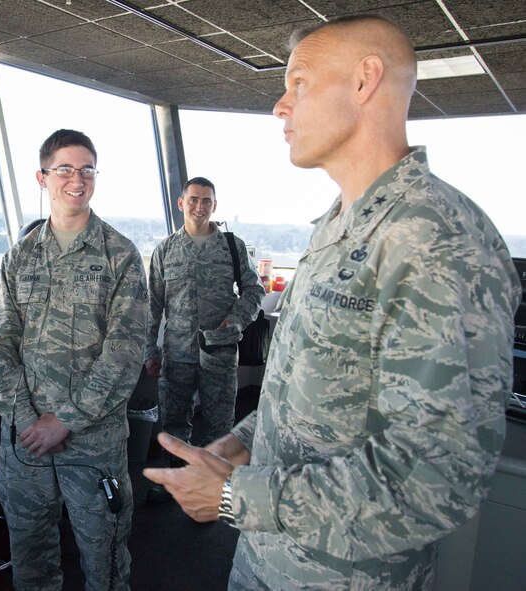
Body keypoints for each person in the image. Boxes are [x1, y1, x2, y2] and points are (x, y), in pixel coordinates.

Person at [144, 15, 520, 590]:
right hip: (270, 563)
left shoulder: (436, 239)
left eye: (299, 83)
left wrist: (233, 496)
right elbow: (311, 393)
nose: (280, 105)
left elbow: (433, 479)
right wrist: (241, 444)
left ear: (365, 81)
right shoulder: (335, 230)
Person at [0, 129, 147, 590]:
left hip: (92, 443)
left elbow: (125, 351)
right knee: (30, 557)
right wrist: (24, 418)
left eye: (87, 170)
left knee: (106, 560)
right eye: (65, 170)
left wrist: (66, 420)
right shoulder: (19, 257)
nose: (77, 180)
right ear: (42, 178)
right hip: (26, 442)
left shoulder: (120, 256)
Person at [144, 177, 264, 503]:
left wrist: (235, 320)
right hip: (176, 353)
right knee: (173, 424)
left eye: (206, 201)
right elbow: (153, 304)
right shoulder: (165, 250)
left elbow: (254, 290)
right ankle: (175, 482)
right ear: (181, 203)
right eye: (194, 200)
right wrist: (149, 350)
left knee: (220, 426)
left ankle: (212, 490)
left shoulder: (231, 246)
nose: (200, 207)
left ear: (214, 205)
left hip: (220, 352)